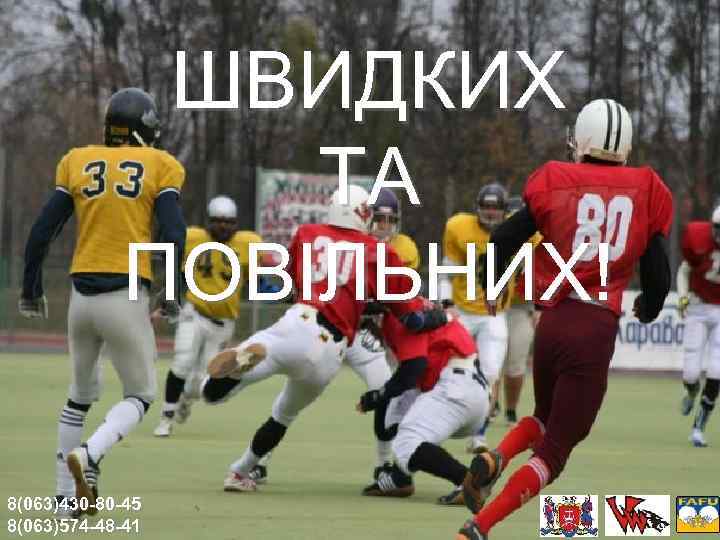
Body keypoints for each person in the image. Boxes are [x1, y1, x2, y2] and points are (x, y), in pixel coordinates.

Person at [456, 98, 673, 539]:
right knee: (554, 454)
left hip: (553, 320)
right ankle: (478, 527)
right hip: (593, 327)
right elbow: (658, 270)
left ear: (584, 138)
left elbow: (505, 236)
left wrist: (492, 284)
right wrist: (650, 306)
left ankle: (496, 457)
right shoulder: (646, 188)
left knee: (543, 417)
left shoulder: (556, 180)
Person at [200, 185, 443, 493]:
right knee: (286, 412)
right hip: (335, 346)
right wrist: (436, 316)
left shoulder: (307, 234)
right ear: (362, 215)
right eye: (375, 217)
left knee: (220, 390)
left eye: (387, 219)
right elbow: (410, 316)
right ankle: (242, 470)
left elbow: (290, 284)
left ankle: (223, 381)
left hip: (303, 322)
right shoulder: (381, 252)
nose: (380, 225)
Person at [19, 88, 186, 516]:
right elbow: (174, 233)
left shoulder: (77, 160)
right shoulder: (161, 164)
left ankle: (63, 500)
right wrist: (173, 290)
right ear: (144, 129)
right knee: (141, 395)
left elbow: (42, 231)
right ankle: (91, 455)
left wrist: (31, 288)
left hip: (80, 297)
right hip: (125, 293)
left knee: (78, 397)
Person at [357, 305, 489, 503]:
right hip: (467, 390)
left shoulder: (399, 313)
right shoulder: (413, 307)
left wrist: (377, 396)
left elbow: (414, 368)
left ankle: (468, 482)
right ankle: (400, 478)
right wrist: (382, 396)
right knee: (394, 418)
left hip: (455, 388)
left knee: (407, 442)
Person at [153, 195, 261, 437]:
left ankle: (185, 400)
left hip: (223, 323)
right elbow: (176, 270)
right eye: (218, 221)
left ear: (236, 223)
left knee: (202, 382)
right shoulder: (193, 238)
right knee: (182, 363)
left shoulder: (248, 244)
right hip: (194, 313)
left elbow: (257, 278)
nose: (223, 226)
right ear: (208, 221)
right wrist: (165, 303)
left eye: (228, 222)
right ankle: (166, 417)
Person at [441, 183, 513, 452]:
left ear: (505, 210)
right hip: (461, 311)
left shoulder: (519, 230)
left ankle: (478, 435)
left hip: (494, 314)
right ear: (477, 208)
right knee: (447, 370)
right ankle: (441, 423)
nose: (491, 212)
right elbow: (447, 270)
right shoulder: (459, 227)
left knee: (491, 373)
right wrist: (446, 303)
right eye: (486, 207)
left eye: (496, 207)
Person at [676, 207, 720, 447]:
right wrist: (683, 296)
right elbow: (684, 271)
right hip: (699, 306)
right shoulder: (699, 239)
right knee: (691, 373)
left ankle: (698, 428)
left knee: (716, 369)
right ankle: (692, 392)